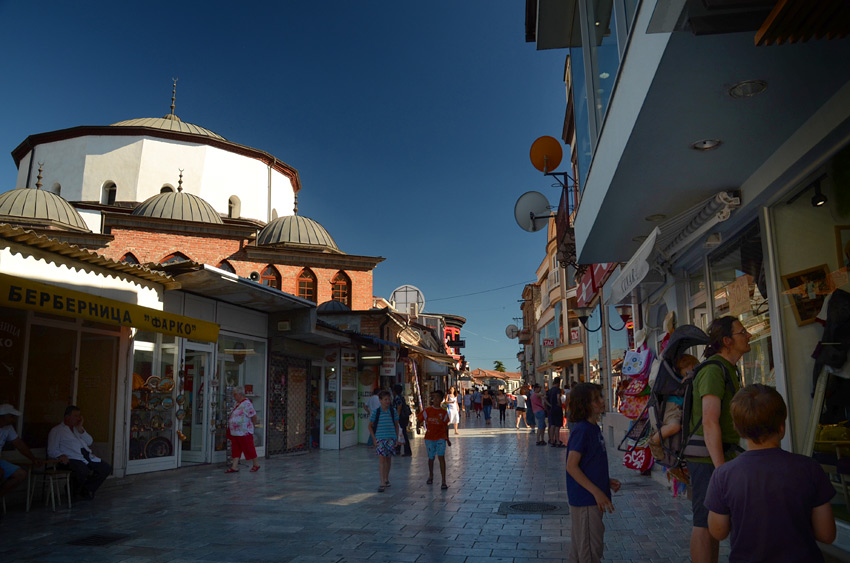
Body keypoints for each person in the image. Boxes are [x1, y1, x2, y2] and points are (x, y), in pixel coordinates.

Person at [705, 384, 835, 562]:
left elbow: (718, 531)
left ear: (738, 429)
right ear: (781, 427)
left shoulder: (723, 475)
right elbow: (827, 534)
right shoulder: (809, 468)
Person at [688, 316, 747, 563]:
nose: (748, 335)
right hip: (707, 457)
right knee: (703, 522)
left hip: (718, 453)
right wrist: (721, 469)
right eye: (742, 332)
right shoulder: (714, 370)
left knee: (712, 522)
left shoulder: (727, 368)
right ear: (727, 341)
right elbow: (709, 421)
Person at [566, 383, 621, 563]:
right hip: (587, 501)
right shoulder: (582, 430)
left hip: (590, 498)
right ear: (585, 404)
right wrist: (597, 492)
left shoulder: (593, 428)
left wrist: (605, 481)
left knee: (581, 550)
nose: (601, 401)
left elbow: (587, 464)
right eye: (596, 398)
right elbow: (572, 466)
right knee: (590, 551)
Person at [47, 405, 112, 500]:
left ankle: (86, 489)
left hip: (86, 455)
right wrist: (60, 455)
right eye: (76, 416)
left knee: (105, 468)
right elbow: (52, 449)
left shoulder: (77, 429)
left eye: (79, 416)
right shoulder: (57, 430)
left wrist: (80, 428)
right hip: (71, 458)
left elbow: (89, 441)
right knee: (83, 471)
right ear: (67, 417)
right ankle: (73, 491)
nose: (78, 418)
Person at [648, 354, 699, 461]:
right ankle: (655, 440)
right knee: (674, 426)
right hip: (673, 408)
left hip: (678, 408)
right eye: (690, 368)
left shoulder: (681, 379)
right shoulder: (679, 381)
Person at [0, 404, 42, 501]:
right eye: (11, 416)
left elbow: (19, 444)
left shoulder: (8, 428)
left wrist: (33, 458)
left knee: (21, 474)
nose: (13, 419)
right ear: (2, 417)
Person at [419, 389, 452, 489]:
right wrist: (417, 427)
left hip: (441, 437)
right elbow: (420, 418)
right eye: (434, 397)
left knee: (441, 457)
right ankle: (431, 475)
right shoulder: (428, 410)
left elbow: (446, 426)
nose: (436, 399)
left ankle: (443, 481)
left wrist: (447, 439)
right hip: (429, 438)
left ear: (442, 399)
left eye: (438, 397)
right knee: (431, 458)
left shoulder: (444, 412)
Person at [369, 390, 399, 492]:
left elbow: (396, 424)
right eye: (385, 399)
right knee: (381, 459)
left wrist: (396, 438)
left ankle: (386, 478)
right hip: (380, 438)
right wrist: (374, 438)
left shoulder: (392, 411)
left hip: (391, 438)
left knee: (388, 459)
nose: (387, 401)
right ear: (380, 400)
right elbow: (370, 426)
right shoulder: (376, 412)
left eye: (389, 399)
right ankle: (382, 482)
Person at [226, 386, 260, 473]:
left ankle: (256, 464)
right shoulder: (237, 404)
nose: (234, 396)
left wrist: (253, 424)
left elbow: (254, 416)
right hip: (235, 432)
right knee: (236, 448)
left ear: (240, 394)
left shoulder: (247, 404)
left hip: (244, 431)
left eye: (235, 394)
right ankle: (235, 466)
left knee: (249, 448)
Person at [392, 384, 412, 456]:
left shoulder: (397, 398)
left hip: (401, 418)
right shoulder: (401, 397)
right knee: (400, 432)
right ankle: (398, 449)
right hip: (404, 417)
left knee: (402, 432)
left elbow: (399, 407)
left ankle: (406, 451)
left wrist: (396, 417)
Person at [546, 378, 565, 447]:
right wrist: (559, 404)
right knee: (557, 425)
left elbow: (545, 399)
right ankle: (557, 441)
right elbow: (558, 398)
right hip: (557, 409)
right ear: (558, 383)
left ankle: (551, 440)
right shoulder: (558, 390)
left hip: (551, 409)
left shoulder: (549, 390)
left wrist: (549, 405)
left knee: (552, 425)